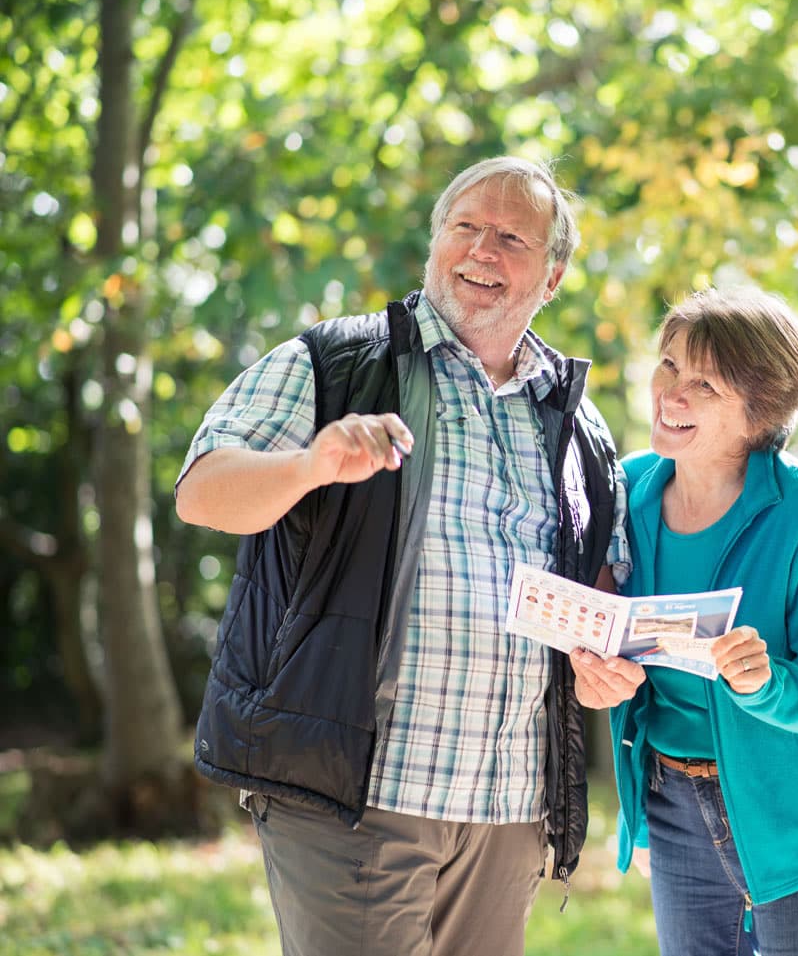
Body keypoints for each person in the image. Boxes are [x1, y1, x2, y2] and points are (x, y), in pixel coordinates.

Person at [176, 156, 646, 956]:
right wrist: (311, 464)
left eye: (510, 237)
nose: (481, 251)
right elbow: (202, 492)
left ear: (554, 274)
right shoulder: (333, 363)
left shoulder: (578, 427)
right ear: (434, 243)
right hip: (356, 789)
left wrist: (605, 665)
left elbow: (600, 598)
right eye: (464, 227)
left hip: (507, 806)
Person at [570, 286, 798, 956]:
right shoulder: (625, 492)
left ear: (759, 412)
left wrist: (767, 681)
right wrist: (597, 676)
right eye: (668, 366)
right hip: (673, 804)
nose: (672, 393)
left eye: (705, 384)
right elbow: (607, 636)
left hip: (796, 814)